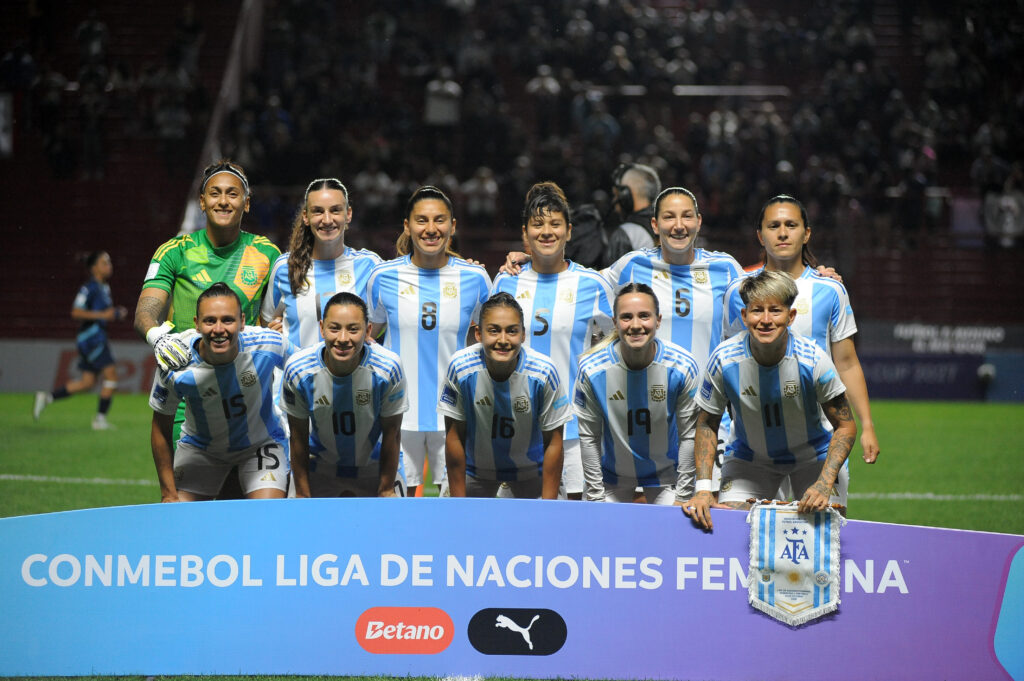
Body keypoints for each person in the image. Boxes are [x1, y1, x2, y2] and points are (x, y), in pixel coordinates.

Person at [685, 271, 858, 530]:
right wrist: (702, 488)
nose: (765, 320)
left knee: (825, 530)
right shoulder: (723, 359)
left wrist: (823, 483)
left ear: (791, 316)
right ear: (744, 317)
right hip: (750, 460)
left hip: (813, 459)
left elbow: (846, 426)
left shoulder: (813, 359)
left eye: (775, 311)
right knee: (732, 529)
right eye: (757, 311)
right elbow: (707, 423)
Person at [723, 195, 879, 464]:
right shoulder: (738, 292)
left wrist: (867, 425)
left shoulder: (829, 289)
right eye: (773, 226)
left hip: (820, 440)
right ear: (760, 236)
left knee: (818, 507)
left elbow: (846, 363)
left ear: (806, 234)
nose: (783, 233)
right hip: (754, 444)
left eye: (791, 225)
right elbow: (728, 365)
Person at [491, 181, 614, 499]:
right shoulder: (507, 280)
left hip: (574, 429)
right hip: (515, 429)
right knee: (515, 523)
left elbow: (617, 346)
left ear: (569, 231)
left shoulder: (593, 284)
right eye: (538, 224)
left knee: (575, 522)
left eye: (555, 224)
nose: (547, 232)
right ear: (525, 232)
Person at [366, 186, 491, 496]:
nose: (431, 229)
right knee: (398, 509)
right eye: (421, 220)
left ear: (453, 226)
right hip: (397, 416)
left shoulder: (475, 278)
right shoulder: (382, 276)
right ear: (407, 226)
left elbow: (494, 337)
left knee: (455, 512)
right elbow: (367, 340)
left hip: (454, 417)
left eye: (440, 220)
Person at [135, 159, 280, 376]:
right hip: (183, 382)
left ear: (246, 203)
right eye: (215, 194)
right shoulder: (174, 251)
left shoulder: (268, 254)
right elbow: (144, 313)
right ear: (202, 202)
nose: (223, 201)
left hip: (243, 385)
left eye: (232, 194)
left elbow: (275, 322)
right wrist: (158, 338)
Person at [148, 283, 290, 502]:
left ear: (242, 322)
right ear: (197, 324)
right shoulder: (175, 361)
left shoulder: (267, 344)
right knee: (180, 523)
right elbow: (160, 425)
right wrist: (168, 493)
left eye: (228, 320)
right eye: (209, 320)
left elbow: (307, 367)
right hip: (201, 449)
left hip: (261, 444)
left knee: (267, 517)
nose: (219, 329)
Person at [574, 283, 701, 504]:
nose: (635, 325)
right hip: (610, 477)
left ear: (658, 320)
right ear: (614, 323)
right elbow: (589, 438)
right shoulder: (592, 370)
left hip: (667, 476)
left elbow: (689, 437)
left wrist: (683, 495)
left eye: (644, 316)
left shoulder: (682, 366)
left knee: (672, 534)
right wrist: (596, 497)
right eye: (626, 317)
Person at [439, 293, 572, 499]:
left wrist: (548, 508)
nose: (503, 340)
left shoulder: (543, 371)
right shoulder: (461, 367)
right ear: (479, 334)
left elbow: (554, 442)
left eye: (512, 331)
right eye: (494, 331)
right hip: (475, 471)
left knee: (545, 529)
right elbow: (455, 436)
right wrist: (459, 504)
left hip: (533, 472)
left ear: (523, 335)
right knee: (457, 527)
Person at [282, 292, 407, 498]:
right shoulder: (299, 369)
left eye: (353, 329)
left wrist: (386, 489)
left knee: (397, 527)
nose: (342, 339)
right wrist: (302, 495)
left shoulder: (388, 368)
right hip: (319, 467)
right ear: (321, 328)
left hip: (375, 466)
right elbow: (297, 437)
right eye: (334, 328)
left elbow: (392, 435)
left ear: (368, 331)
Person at [262, 178, 382, 348]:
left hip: (351, 375)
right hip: (296, 374)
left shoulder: (369, 266)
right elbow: (268, 321)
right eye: (318, 211)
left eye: (335, 210)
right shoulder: (285, 267)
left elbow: (386, 318)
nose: (327, 220)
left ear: (348, 214)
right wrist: (273, 333)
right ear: (306, 216)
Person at [33, 251, 128, 430]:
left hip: (96, 337)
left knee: (87, 382)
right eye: (104, 263)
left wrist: (115, 313)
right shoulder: (88, 288)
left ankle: (47, 398)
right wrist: (104, 315)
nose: (109, 266)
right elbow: (76, 312)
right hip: (91, 339)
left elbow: (104, 314)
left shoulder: (104, 287)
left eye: (109, 262)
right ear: (94, 268)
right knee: (111, 376)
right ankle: (100, 419)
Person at [605, 163, 660, 266]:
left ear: (625, 195)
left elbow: (612, 280)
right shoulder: (671, 225)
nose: (614, 201)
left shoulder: (627, 232)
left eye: (616, 195)